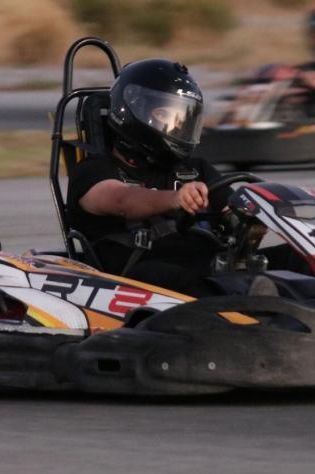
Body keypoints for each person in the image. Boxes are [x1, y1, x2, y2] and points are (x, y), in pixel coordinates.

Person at [65, 58, 229, 297]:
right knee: (179, 277)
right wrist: (175, 199)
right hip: (136, 277)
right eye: (168, 115)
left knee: (290, 258)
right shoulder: (93, 171)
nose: (179, 125)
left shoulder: (196, 170)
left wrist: (253, 216)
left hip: (207, 263)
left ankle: (278, 314)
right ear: (133, 110)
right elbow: (123, 201)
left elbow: (233, 209)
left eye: (184, 117)